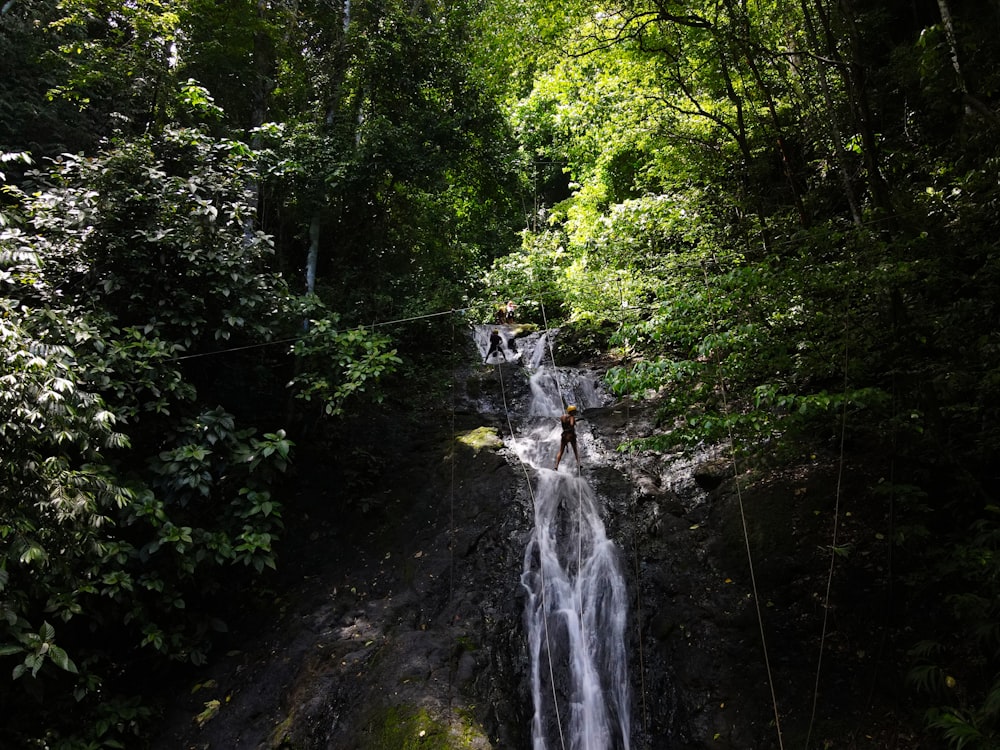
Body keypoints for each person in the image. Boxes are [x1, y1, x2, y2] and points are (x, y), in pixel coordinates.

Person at [554, 404, 580, 470]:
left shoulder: (562, 417)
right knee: (575, 450)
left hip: (564, 435)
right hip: (571, 435)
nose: (575, 413)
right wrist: (574, 422)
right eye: (574, 411)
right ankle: (579, 464)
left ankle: (556, 465)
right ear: (571, 411)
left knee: (561, 451)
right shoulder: (572, 417)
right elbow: (571, 424)